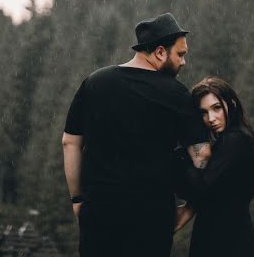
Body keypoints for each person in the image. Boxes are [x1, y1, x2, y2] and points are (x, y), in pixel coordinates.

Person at [62, 13, 212, 257]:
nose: (184, 62)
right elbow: (202, 156)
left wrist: (78, 200)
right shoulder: (176, 95)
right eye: (181, 54)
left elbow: (70, 143)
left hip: (99, 217)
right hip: (152, 222)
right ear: (160, 52)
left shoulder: (95, 83)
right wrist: (188, 209)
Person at [174, 77, 254, 257]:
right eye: (203, 113)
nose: (211, 119)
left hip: (228, 242)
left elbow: (198, 188)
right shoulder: (231, 141)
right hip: (223, 237)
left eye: (217, 108)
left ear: (231, 104)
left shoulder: (236, 140)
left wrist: (182, 155)